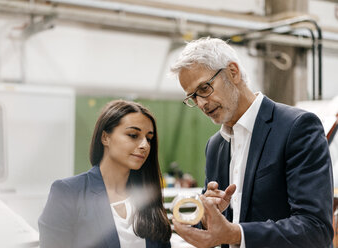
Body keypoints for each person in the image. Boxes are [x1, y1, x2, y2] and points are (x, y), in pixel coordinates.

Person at [169, 37, 333, 248]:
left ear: (233, 72)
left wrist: (236, 234)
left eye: (204, 88)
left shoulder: (297, 127)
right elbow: (217, 232)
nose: (201, 103)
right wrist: (207, 215)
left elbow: (315, 229)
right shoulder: (215, 146)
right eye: (192, 97)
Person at [38, 100, 172, 248]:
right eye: (133, 135)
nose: (145, 145)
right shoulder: (68, 192)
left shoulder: (147, 194)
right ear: (105, 138)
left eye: (149, 138)